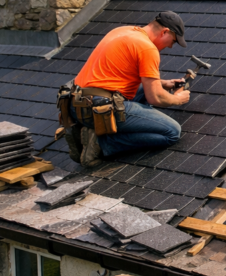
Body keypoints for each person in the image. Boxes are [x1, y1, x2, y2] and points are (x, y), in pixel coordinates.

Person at [63, 11, 191, 168]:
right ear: (165, 32)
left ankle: (93, 129)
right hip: (97, 109)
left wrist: (162, 83)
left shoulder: (123, 31)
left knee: (146, 90)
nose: (170, 46)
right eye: (173, 41)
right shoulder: (147, 48)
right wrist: (177, 99)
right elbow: (155, 98)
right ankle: (101, 142)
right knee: (172, 132)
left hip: (77, 104)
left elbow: (118, 74)